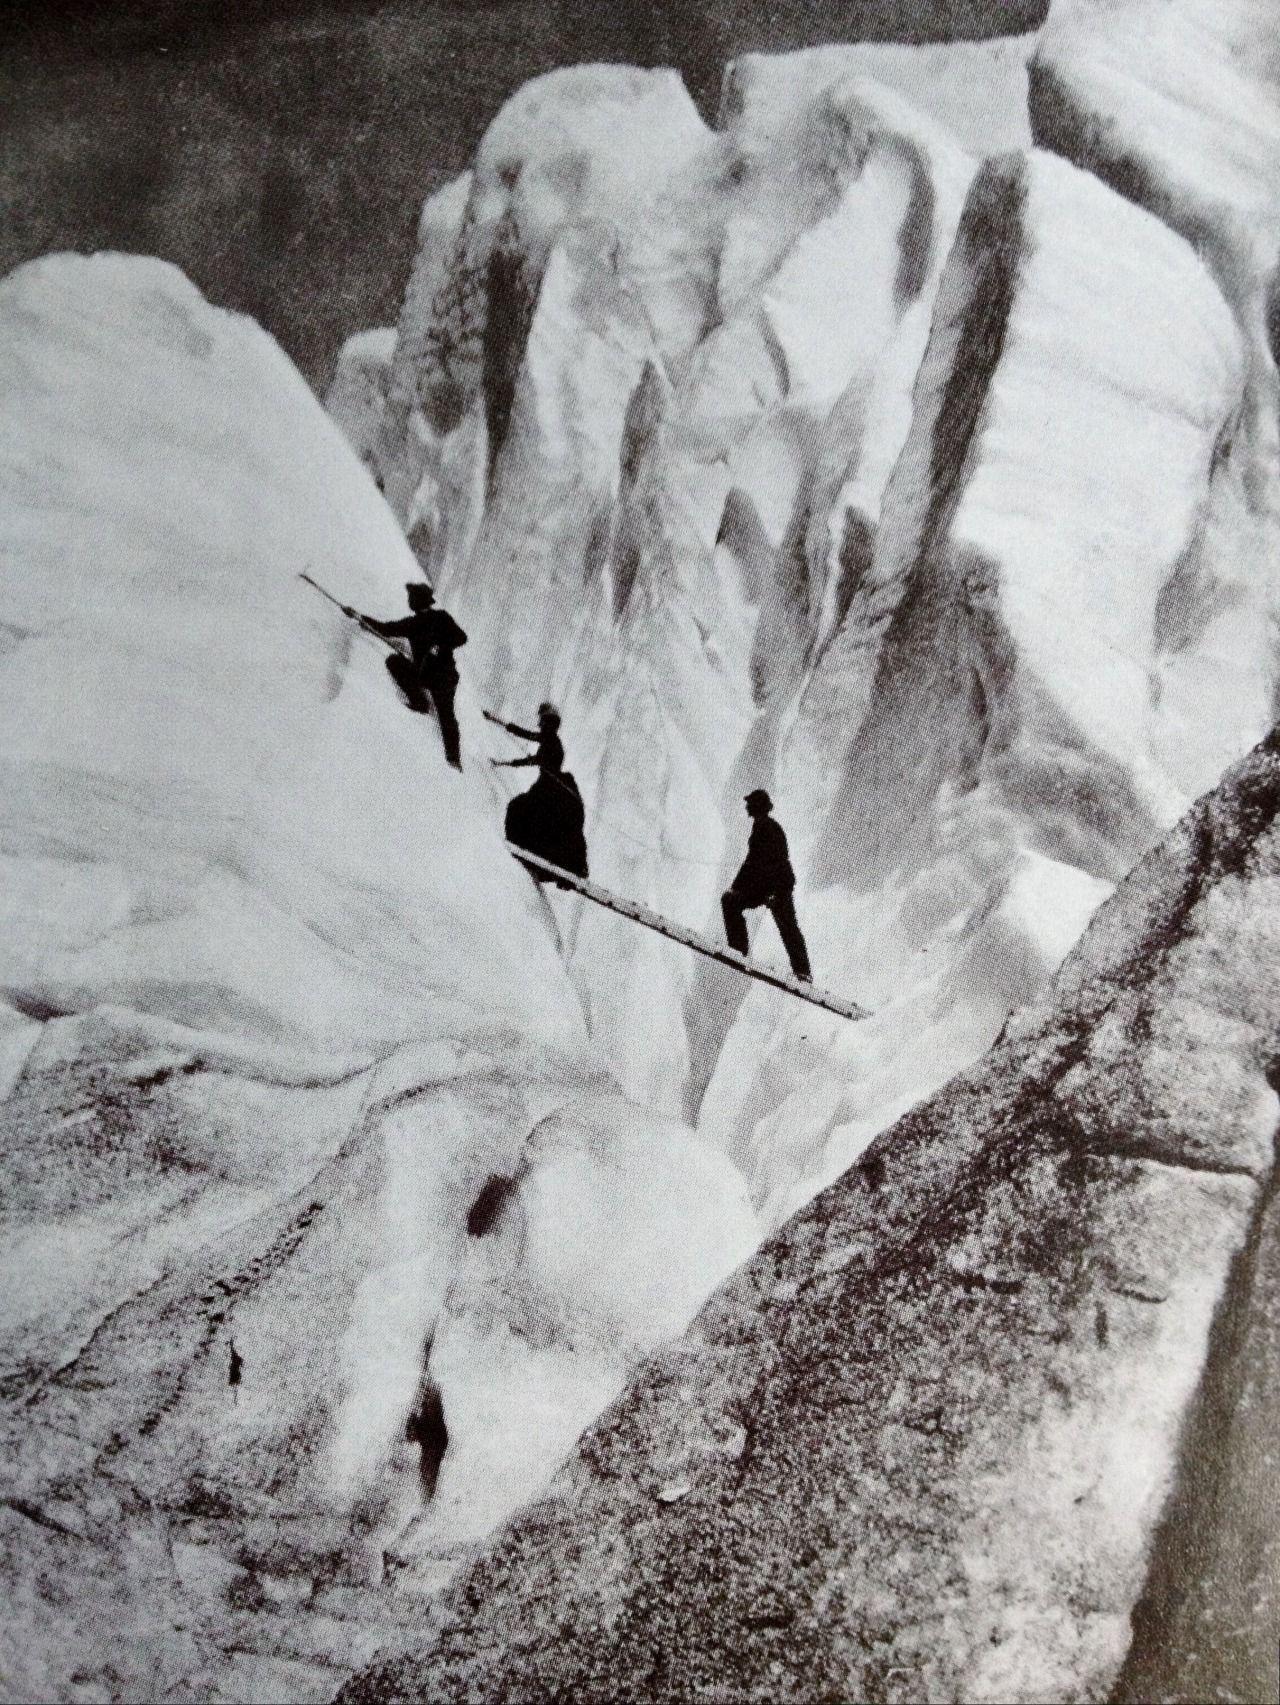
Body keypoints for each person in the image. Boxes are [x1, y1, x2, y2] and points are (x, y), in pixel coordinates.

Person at [343, 582, 467, 770]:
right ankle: (453, 759)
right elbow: (460, 637)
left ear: (416, 602)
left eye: (411, 598)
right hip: (445, 677)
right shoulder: (436, 618)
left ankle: (419, 702)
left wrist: (439, 646)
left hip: (438, 678)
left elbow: (386, 629)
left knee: (394, 662)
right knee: (447, 716)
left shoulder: (420, 622)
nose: (409, 601)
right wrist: (360, 617)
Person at [487, 704, 589, 885]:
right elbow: (534, 759)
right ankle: (569, 864)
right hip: (552, 785)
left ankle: (524, 851)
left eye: (543, 720)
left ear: (547, 721)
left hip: (548, 787)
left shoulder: (549, 738)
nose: (541, 723)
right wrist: (509, 763)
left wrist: (499, 721)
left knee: (519, 808)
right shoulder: (552, 740)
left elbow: (527, 737)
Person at [722, 789, 812, 982]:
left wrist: (768, 891)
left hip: (776, 887)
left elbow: (772, 862)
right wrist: (737, 887)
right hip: (768, 887)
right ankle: (740, 951)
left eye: (750, 804)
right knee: (787, 927)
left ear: (757, 807)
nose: (747, 807)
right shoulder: (763, 826)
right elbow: (752, 863)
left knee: (787, 927)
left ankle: (802, 971)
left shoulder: (767, 828)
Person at [485, 703, 564, 775]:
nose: (539, 725)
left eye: (542, 722)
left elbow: (523, 734)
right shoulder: (550, 739)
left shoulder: (548, 738)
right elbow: (531, 760)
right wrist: (501, 763)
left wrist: (495, 719)